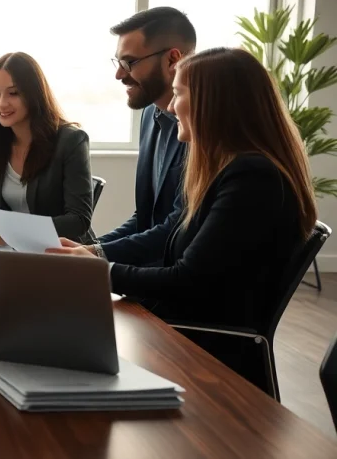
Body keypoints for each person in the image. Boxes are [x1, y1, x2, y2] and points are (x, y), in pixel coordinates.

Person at [48, 47, 316, 393]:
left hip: (203, 355)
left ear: (214, 102)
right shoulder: (226, 170)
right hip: (177, 331)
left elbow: (187, 280)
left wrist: (97, 269)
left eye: (178, 94)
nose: (171, 108)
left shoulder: (252, 177)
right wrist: (94, 258)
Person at [84, 7, 195, 265]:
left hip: (172, 284)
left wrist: (95, 256)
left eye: (129, 63)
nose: (119, 74)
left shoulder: (203, 127)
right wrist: (90, 249)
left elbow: (178, 226)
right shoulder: (149, 115)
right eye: (118, 62)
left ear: (172, 60)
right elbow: (145, 218)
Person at [0, 52, 95, 244]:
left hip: (61, 251)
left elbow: (78, 220)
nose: (1, 103)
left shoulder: (71, 140)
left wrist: (13, 230)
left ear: (33, 94)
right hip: (12, 251)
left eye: (13, 93)